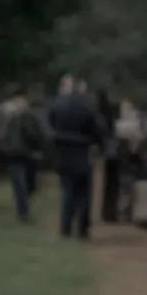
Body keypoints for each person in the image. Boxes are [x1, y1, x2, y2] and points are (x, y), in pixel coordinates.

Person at [46, 75, 107, 239]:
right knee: (84, 193)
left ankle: (65, 228)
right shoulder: (86, 106)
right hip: (82, 150)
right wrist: (99, 146)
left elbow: (49, 125)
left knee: (67, 190)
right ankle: (82, 229)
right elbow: (98, 128)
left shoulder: (56, 104)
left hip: (63, 151)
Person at [0, 93, 48, 222]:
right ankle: (23, 211)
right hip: (21, 154)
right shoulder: (12, 119)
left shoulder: (21, 118)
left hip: (19, 154)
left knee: (23, 184)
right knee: (23, 184)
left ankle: (23, 208)